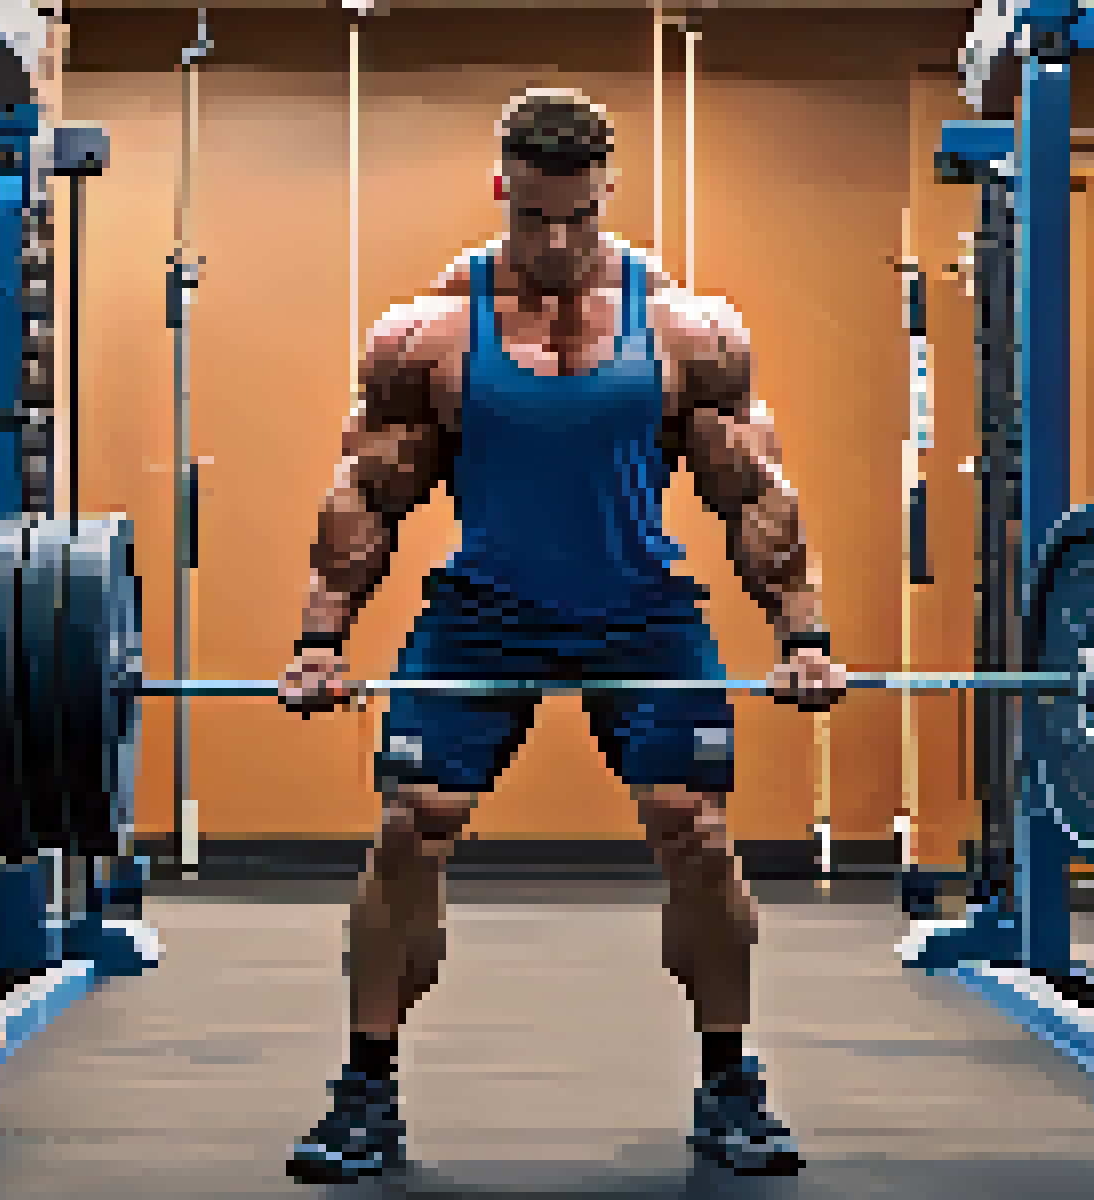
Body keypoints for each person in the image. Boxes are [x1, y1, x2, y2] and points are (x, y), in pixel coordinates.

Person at [278, 88, 848, 1184]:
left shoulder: (686, 328)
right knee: (409, 826)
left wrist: (803, 633)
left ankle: (730, 1083)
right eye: (533, 216)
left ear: (607, 193)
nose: (554, 241)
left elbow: (753, 493)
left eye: (577, 217)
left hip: (641, 609)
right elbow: (368, 495)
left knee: (697, 830)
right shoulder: (430, 331)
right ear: (503, 187)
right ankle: (365, 1091)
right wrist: (321, 638)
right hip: (483, 613)